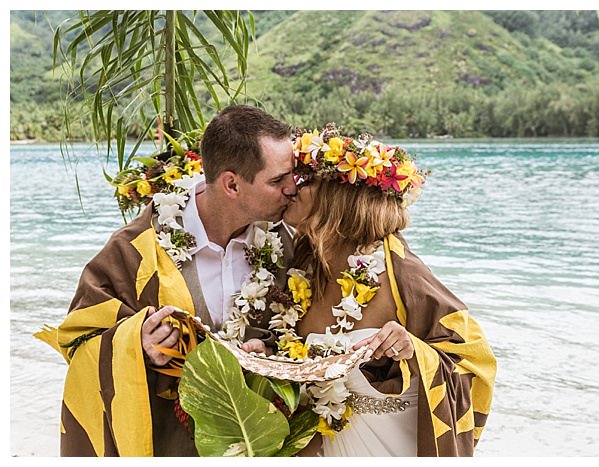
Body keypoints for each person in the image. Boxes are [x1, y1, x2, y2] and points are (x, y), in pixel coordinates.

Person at [34, 105, 298, 456]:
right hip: (168, 443)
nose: (292, 189)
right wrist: (137, 341)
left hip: (259, 442)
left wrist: (266, 353)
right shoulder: (137, 247)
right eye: (277, 180)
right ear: (232, 184)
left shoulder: (287, 243)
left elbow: (309, 330)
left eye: (292, 175)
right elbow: (78, 335)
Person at [283, 125, 497, 456]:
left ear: (337, 197)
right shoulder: (299, 265)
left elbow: (474, 361)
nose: (291, 187)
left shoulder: (401, 273)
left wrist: (412, 350)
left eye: (306, 180)